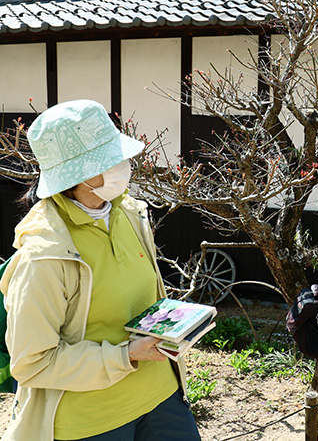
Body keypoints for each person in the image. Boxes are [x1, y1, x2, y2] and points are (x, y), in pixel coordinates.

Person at [0, 100, 201, 441]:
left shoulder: (129, 213)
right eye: (107, 159)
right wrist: (125, 355)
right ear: (74, 175)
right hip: (92, 421)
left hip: (162, 395)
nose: (123, 165)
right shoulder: (43, 254)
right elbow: (32, 362)